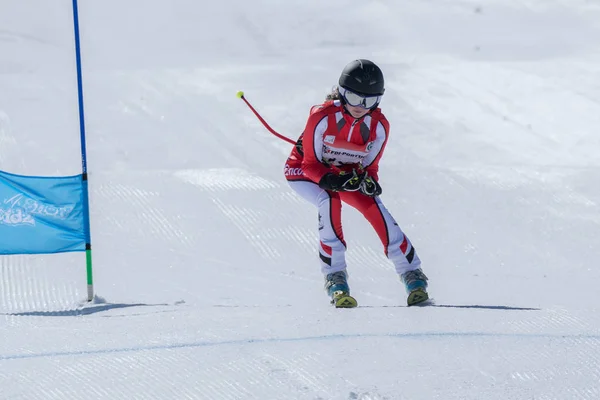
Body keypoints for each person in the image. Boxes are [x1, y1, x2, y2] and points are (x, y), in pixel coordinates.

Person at [284, 59, 429, 307]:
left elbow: (371, 167)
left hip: (344, 176)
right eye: (353, 97)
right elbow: (309, 164)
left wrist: (369, 182)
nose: (360, 106)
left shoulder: (379, 126)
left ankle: (412, 273)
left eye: (369, 101)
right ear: (341, 92)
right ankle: (335, 276)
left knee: (373, 205)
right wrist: (328, 179)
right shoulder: (321, 116)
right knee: (328, 199)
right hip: (304, 172)